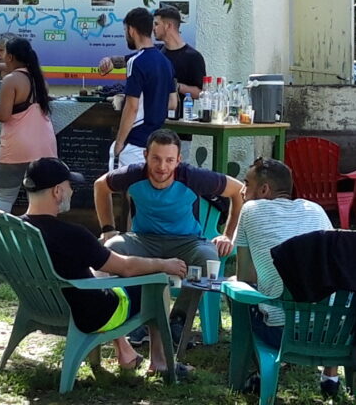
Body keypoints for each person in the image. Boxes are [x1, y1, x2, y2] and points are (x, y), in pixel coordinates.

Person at [19, 158, 186, 376]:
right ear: (57, 191)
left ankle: (125, 353)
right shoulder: (73, 235)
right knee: (157, 285)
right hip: (90, 315)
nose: (73, 191)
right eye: (71, 186)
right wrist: (164, 264)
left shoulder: (16, 229)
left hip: (41, 306)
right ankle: (161, 362)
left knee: (99, 270)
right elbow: (125, 267)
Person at [94, 129, 244, 358]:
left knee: (208, 259)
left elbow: (237, 191)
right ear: (145, 155)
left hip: (187, 242)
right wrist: (107, 229)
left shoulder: (192, 176)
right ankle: (129, 317)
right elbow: (100, 186)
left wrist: (228, 235)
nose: (162, 167)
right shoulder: (133, 174)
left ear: (178, 160)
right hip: (143, 241)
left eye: (169, 160)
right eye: (156, 158)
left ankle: (178, 320)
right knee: (109, 250)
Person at [232, 157, 343, 395]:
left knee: (238, 294)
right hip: (335, 332)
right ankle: (330, 377)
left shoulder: (251, 210)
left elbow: (245, 277)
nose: (242, 191)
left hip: (282, 333)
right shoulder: (316, 210)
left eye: (247, 184)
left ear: (264, 190)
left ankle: (263, 369)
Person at [0, 36, 58, 214]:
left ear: (9, 57)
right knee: (41, 203)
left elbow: (3, 115)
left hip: (16, 147)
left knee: (4, 199)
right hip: (45, 148)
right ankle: (39, 239)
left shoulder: (11, 80)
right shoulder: (39, 78)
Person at [110, 8, 174, 166]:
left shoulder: (135, 61)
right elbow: (172, 103)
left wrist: (119, 143)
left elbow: (132, 107)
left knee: (120, 187)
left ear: (131, 30)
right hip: (155, 143)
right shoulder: (166, 62)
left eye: (126, 30)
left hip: (134, 141)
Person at [154, 4, 206, 115]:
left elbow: (201, 93)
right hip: (155, 122)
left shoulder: (193, 57)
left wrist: (176, 86)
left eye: (157, 24)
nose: (153, 28)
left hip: (181, 124)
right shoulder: (157, 54)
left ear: (168, 26)